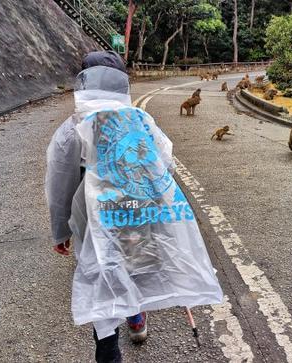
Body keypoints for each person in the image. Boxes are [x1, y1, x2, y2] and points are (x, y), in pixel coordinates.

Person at [45, 51, 223, 363]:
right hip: (139, 214)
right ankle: (136, 319)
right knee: (135, 262)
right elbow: (164, 160)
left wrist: (60, 230)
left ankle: (109, 349)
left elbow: (59, 182)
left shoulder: (73, 128)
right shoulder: (141, 121)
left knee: (104, 273)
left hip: (95, 220)